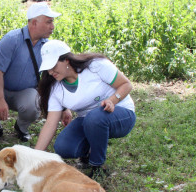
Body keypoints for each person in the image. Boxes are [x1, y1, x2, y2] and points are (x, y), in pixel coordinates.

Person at [35, 40, 136, 178]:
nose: (50, 71)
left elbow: (126, 84)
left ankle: (97, 165)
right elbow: (50, 124)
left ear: (67, 60)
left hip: (120, 112)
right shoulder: (55, 88)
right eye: (47, 67)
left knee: (95, 118)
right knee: (63, 147)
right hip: (88, 120)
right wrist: (34, 157)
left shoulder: (95, 66)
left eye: (53, 65)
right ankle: (90, 150)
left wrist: (112, 100)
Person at [0, 2, 64, 142]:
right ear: (34, 23)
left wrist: (62, 106)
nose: (52, 26)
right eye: (49, 22)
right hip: (2, 89)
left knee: (34, 103)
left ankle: (21, 128)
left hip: (25, 92)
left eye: (52, 22)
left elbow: (54, 76)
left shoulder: (47, 46)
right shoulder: (12, 39)